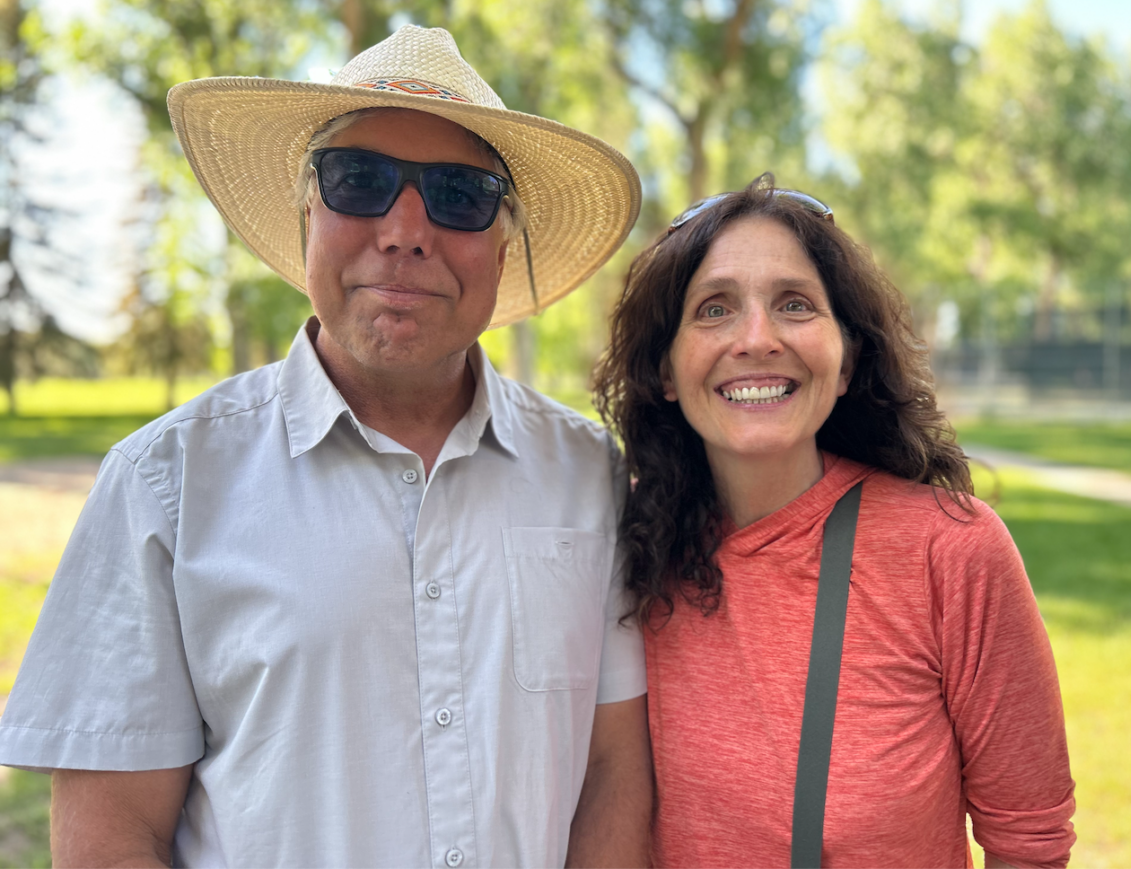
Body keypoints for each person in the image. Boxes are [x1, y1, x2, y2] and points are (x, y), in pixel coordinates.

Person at [0, 25, 651, 868]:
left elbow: (612, 769)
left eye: (460, 195)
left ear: (502, 240)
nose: (405, 229)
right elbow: (113, 830)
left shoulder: (588, 474)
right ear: (307, 210)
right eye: (360, 181)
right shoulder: (166, 485)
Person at [593, 175, 1076, 868]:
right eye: (713, 309)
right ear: (665, 370)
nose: (756, 338)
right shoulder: (627, 554)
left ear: (846, 359)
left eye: (794, 304)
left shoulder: (951, 552)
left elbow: (1030, 841)